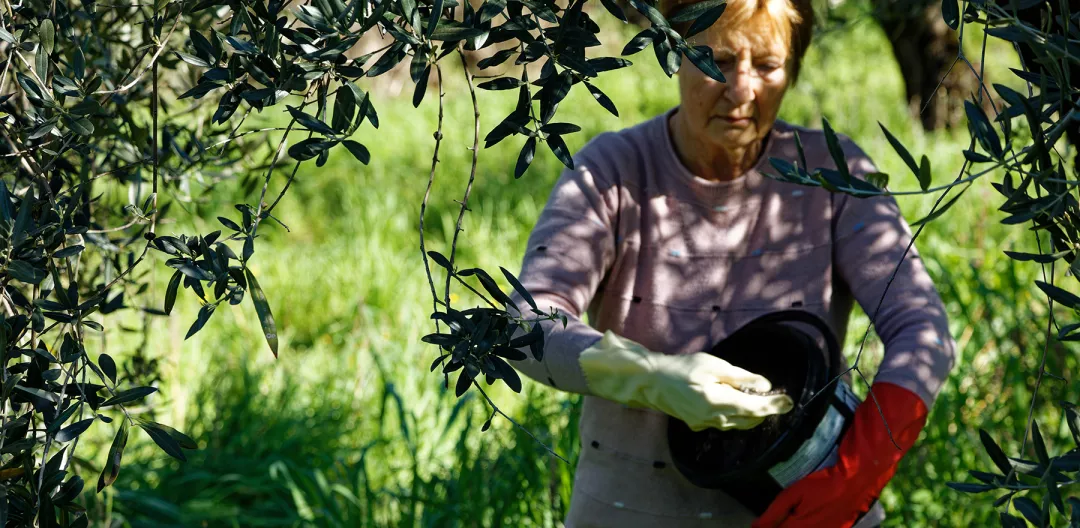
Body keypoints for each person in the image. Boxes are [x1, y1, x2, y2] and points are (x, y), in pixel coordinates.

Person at [505, 0, 958, 525]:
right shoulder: (612, 172)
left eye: (767, 65)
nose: (742, 90)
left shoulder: (834, 174)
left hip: (808, 509)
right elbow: (526, 326)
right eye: (716, 60)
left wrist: (857, 473)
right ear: (672, 52)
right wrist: (653, 376)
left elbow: (921, 329)